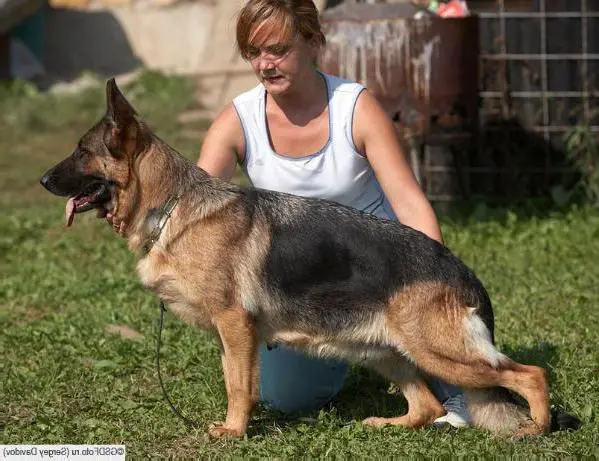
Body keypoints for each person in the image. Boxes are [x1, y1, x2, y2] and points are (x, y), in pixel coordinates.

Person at [196, 0, 471, 428]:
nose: (265, 64)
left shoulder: (355, 107)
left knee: (444, 354)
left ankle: (456, 390)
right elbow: (195, 205)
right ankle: (367, 357)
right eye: (253, 52)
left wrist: (436, 286)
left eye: (278, 49)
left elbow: (409, 202)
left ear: (313, 43)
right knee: (287, 399)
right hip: (302, 286)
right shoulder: (239, 119)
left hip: (381, 269)